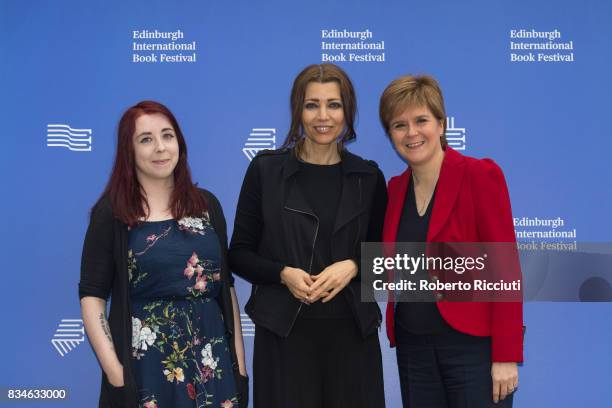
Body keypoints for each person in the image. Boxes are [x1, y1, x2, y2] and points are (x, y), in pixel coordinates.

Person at [228, 63, 387, 408]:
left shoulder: (369, 178)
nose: (323, 116)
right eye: (311, 104)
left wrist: (355, 266)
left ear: (348, 111)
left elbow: (388, 259)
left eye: (334, 104)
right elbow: (239, 253)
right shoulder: (265, 171)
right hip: (284, 336)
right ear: (298, 110)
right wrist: (282, 274)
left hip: (353, 337)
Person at [79, 101, 248, 408]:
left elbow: (226, 289)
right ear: (128, 150)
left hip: (213, 366)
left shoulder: (207, 206)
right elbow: (92, 297)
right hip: (146, 372)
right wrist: (117, 375)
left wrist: (240, 367)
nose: (160, 148)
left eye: (167, 136)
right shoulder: (112, 214)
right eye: (146, 139)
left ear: (179, 144)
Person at [379, 75, 524, 407]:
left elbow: (505, 270)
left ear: (441, 124)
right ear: (391, 135)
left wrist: (505, 356)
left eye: (421, 120)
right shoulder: (395, 190)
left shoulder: (480, 175)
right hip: (413, 348)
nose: (412, 132)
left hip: (472, 347)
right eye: (399, 125)